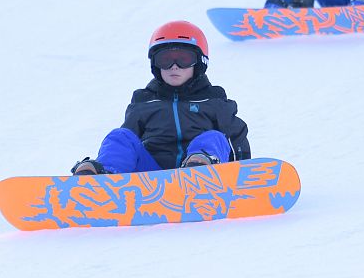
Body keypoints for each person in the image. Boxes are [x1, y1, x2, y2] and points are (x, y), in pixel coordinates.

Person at [72, 20, 250, 175]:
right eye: (165, 60)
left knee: (214, 137)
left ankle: (198, 170)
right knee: (121, 136)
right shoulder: (144, 101)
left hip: (203, 172)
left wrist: (244, 173)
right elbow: (126, 145)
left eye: (184, 59)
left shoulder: (214, 101)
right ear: (155, 65)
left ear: (200, 62)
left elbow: (236, 139)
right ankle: (104, 178)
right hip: (150, 175)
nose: (174, 67)